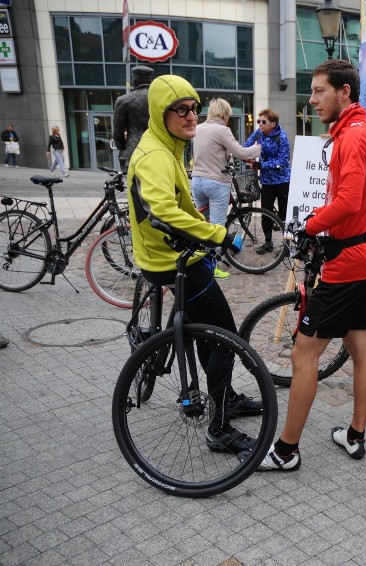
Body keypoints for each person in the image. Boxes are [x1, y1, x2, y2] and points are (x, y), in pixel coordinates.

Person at [249, 59, 366, 471]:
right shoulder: (356, 133)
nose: (311, 100)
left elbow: (349, 202)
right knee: (359, 345)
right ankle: (355, 436)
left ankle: (286, 451)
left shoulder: (353, 139)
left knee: (303, 354)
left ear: (344, 92)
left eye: (319, 91)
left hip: (348, 262)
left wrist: (309, 225)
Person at [127, 74, 262, 455]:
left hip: (172, 255)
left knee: (209, 333)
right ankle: (219, 426)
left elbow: (177, 205)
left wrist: (201, 226)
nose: (190, 117)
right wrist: (216, 234)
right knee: (226, 338)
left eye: (194, 109)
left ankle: (227, 397)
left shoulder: (167, 145)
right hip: (175, 261)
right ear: (160, 112)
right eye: (180, 110)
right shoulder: (155, 155)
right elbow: (162, 209)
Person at [191, 98, 261, 279]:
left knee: (202, 225)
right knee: (216, 227)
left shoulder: (198, 128)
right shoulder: (221, 130)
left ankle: (199, 263)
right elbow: (241, 153)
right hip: (215, 182)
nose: (228, 120)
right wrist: (259, 148)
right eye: (228, 116)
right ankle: (212, 268)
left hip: (197, 181)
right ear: (223, 114)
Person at [243, 109, 291, 255]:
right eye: (258, 121)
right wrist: (249, 157)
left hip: (282, 181)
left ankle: (286, 246)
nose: (260, 124)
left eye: (263, 122)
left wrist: (262, 165)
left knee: (284, 214)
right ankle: (268, 242)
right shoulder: (259, 133)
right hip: (267, 181)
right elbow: (246, 147)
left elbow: (283, 161)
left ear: (273, 124)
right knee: (266, 212)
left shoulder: (282, 137)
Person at [113, 66, 154, 172]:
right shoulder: (160, 98)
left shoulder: (123, 100)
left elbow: (118, 134)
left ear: (134, 80)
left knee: (134, 186)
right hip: (157, 150)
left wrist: (124, 149)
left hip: (133, 151)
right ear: (150, 80)